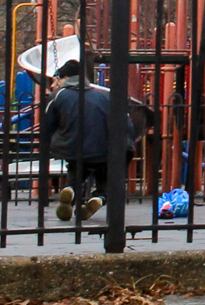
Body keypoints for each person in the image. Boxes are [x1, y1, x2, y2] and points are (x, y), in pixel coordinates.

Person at [40, 60, 140, 223]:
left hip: (75, 147)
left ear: (64, 78)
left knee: (76, 171)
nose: (52, 85)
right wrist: (127, 147)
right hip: (108, 149)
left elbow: (47, 126)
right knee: (105, 181)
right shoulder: (106, 95)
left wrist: (49, 146)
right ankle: (99, 198)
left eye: (54, 80)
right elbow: (126, 124)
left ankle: (70, 190)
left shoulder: (58, 96)